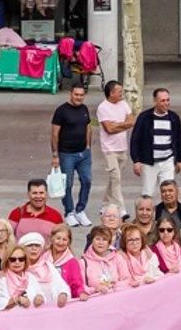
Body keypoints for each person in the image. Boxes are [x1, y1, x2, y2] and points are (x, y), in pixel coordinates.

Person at [129, 87, 181, 199]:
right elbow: (135, 139)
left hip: (167, 160)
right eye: (163, 100)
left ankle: (167, 216)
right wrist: (136, 160)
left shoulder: (173, 117)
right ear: (155, 101)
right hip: (149, 162)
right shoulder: (144, 118)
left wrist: (179, 159)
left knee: (169, 192)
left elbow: (178, 139)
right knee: (148, 193)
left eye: (168, 100)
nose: (166, 103)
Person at [51, 85, 94, 226]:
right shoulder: (61, 111)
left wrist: (88, 145)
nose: (79, 97)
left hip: (84, 153)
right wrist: (55, 155)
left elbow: (88, 127)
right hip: (66, 154)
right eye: (76, 94)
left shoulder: (84, 109)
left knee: (87, 180)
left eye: (81, 95)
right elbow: (54, 133)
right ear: (71, 94)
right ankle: (69, 211)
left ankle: (80, 210)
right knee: (67, 184)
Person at [93, 80, 134, 212]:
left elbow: (131, 121)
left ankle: (105, 203)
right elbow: (109, 129)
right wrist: (123, 125)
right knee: (116, 178)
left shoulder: (124, 104)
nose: (122, 94)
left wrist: (116, 124)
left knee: (114, 179)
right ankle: (121, 208)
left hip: (122, 147)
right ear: (111, 93)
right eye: (119, 91)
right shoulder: (103, 107)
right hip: (109, 149)